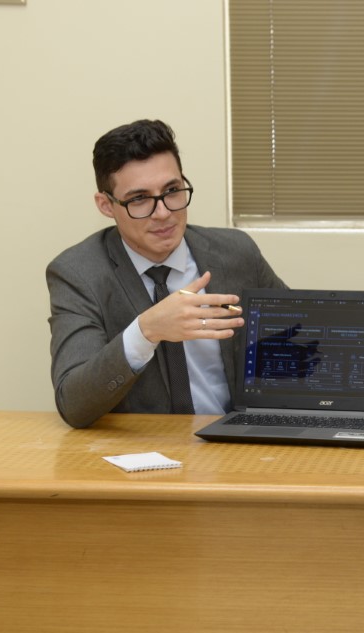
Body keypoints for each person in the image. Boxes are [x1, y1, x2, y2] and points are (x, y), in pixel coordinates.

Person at [47, 119, 287, 428]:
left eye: (172, 191)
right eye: (139, 199)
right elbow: (73, 403)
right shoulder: (78, 274)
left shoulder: (236, 253)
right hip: (142, 448)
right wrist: (145, 331)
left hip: (233, 442)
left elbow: (296, 337)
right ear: (106, 205)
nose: (163, 213)